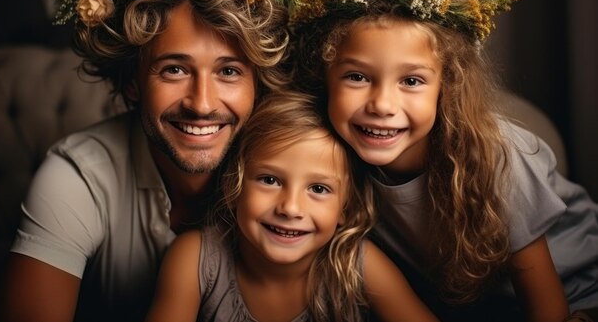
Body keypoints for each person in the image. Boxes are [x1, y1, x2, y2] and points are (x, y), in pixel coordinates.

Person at [0, 0, 302, 322]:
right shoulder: (79, 174)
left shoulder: (297, 177)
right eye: (174, 70)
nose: (202, 104)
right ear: (132, 84)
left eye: (229, 72)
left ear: (257, 86)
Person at [290, 0, 598, 322]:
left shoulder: (496, 154)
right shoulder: (325, 153)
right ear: (324, 75)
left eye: (411, 81)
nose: (382, 105)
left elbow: (549, 307)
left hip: (578, 295)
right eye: (357, 77)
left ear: (446, 87)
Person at [145, 90, 440, 322]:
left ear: (347, 209)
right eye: (270, 180)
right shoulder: (195, 258)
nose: (290, 207)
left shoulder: (357, 264)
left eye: (318, 188)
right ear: (234, 186)